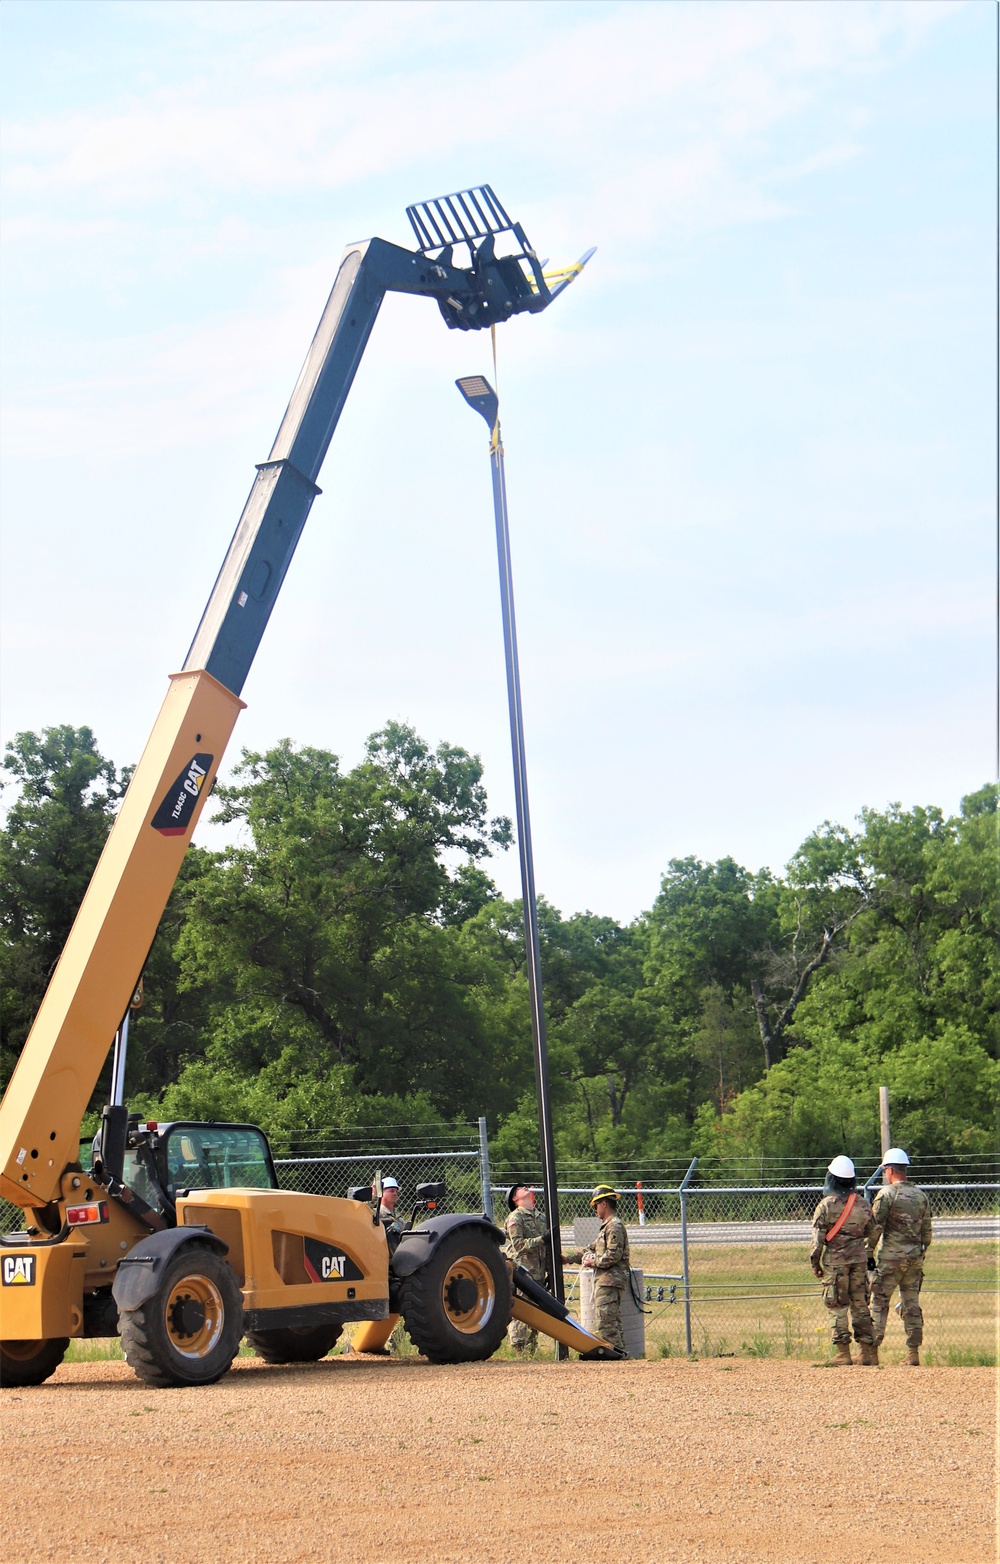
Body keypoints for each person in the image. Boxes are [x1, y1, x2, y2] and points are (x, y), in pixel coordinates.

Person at [810, 1155, 879, 1366]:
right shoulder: (862, 1204)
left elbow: (817, 1242)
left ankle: (843, 1353)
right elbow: (873, 1230)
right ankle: (867, 1352)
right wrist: (866, 1252)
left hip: (835, 1263)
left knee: (837, 1305)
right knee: (860, 1304)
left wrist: (816, 1264)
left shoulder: (825, 1206)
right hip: (858, 1260)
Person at [869, 1149, 932, 1366]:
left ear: (890, 1170)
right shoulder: (921, 1196)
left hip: (890, 1259)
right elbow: (927, 1234)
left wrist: (868, 1254)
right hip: (914, 1258)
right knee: (911, 1304)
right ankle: (912, 1353)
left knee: (879, 1301)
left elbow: (875, 1228)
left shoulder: (886, 1195)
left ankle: (871, 1352)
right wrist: (918, 1254)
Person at [564, 1184, 630, 1357]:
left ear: (604, 1204)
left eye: (595, 1206)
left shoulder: (614, 1226)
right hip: (606, 1280)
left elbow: (612, 1256)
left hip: (610, 1281)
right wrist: (569, 1258)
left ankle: (615, 1356)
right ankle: (621, 1355)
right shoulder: (606, 1227)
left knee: (606, 1324)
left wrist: (594, 1262)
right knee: (611, 1322)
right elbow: (591, 1249)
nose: (595, 1210)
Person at [503, 1182, 548, 1356]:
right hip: (523, 1273)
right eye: (520, 1189)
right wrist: (542, 1239)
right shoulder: (516, 1217)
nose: (525, 1188)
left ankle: (531, 1350)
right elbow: (519, 1244)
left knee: (535, 1312)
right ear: (515, 1198)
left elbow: (546, 1249)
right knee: (522, 1312)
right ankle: (518, 1351)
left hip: (538, 1272)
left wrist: (550, 1271)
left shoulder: (541, 1217)